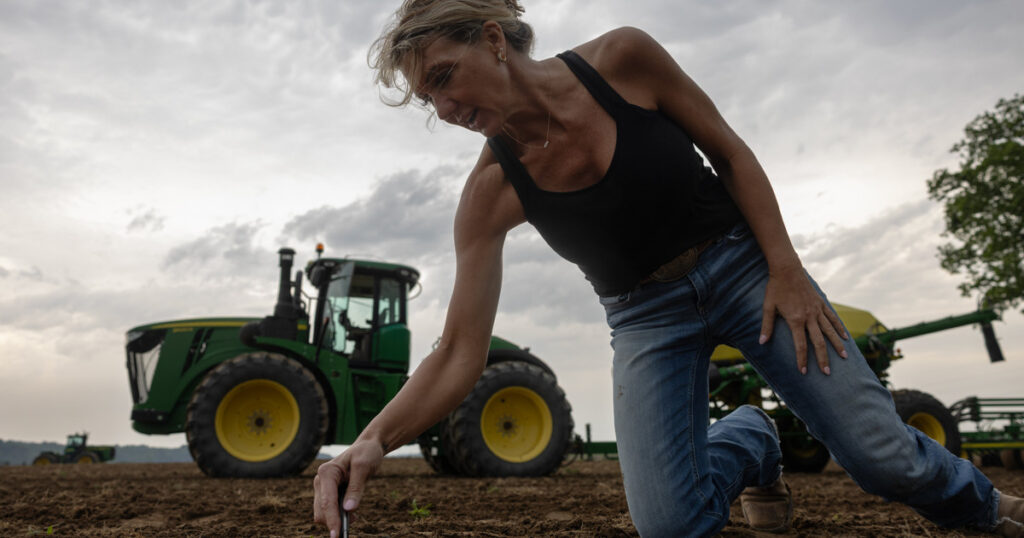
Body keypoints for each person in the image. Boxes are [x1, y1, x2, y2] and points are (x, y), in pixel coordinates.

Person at [313, 1, 1024, 536]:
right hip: (646, 318)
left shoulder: (623, 60)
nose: (444, 106)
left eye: (443, 77)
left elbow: (732, 153)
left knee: (884, 461)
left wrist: (788, 269)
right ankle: (750, 438)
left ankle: (987, 505)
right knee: (670, 528)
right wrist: (372, 439)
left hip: (748, 271)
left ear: (493, 40)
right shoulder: (490, 193)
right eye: (427, 99)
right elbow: (460, 349)